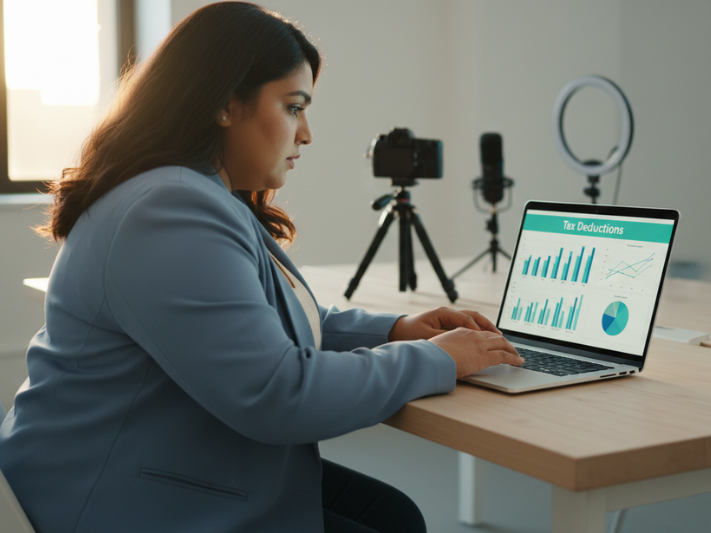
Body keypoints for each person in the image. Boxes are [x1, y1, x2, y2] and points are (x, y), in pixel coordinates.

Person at [0, 3, 522, 532]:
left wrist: (395, 329)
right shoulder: (169, 209)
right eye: (294, 107)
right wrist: (431, 360)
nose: (307, 134)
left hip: (158, 458)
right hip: (109, 498)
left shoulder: (188, 192)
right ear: (226, 104)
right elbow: (276, 393)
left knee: (394, 515)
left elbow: (268, 323)